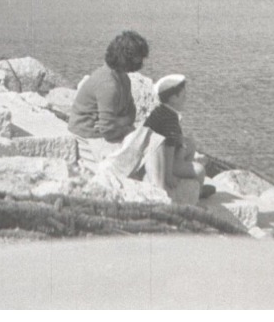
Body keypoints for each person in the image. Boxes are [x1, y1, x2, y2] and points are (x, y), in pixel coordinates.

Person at [68, 30, 149, 160]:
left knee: (146, 148)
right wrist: (123, 127)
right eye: (138, 59)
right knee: (132, 159)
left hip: (109, 130)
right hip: (89, 134)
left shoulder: (123, 78)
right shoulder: (108, 84)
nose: (141, 63)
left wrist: (119, 122)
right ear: (126, 59)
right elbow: (108, 131)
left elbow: (132, 113)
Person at [143, 74, 208, 202]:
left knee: (190, 143)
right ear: (173, 98)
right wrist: (168, 175)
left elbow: (174, 137)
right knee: (200, 170)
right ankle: (197, 193)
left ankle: (182, 172)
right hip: (163, 160)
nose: (186, 99)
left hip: (159, 154)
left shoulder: (162, 110)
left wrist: (183, 147)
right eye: (183, 96)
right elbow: (169, 145)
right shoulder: (170, 118)